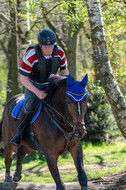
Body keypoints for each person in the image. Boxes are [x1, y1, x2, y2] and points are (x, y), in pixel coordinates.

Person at [10, 29, 69, 147]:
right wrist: (37, 92)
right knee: (29, 105)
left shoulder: (60, 53)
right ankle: (19, 133)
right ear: (40, 45)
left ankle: (73, 131)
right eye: (46, 47)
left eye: (51, 46)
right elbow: (23, 78)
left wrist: (65, 87)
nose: (49, 49)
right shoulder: (31, 55)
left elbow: (65, 72)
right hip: (33, 84)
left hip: (52, 83)